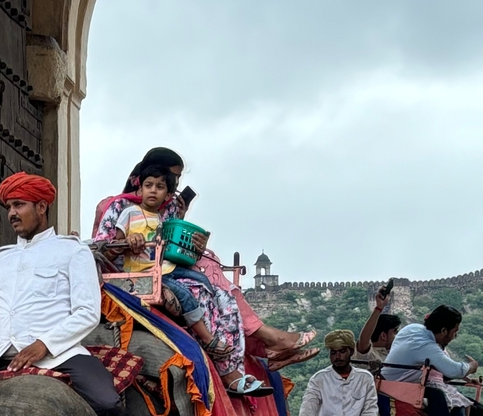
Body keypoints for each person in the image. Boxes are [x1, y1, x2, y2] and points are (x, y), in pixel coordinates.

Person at [93, 146, 318, 369]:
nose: (174, 184)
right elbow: (102, 248)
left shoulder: (168, 205)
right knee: (207, 270)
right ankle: (260, 342)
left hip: (167, 267)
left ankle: (261, 347)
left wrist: (190, 236)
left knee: (219, 287)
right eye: (171, 177)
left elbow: (172, 244)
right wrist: (129, 244)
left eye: (171, 182)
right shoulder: (120, 206)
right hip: (135, 272)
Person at [0, 172, 123, 416]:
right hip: (0, 359)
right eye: (9, 207)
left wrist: (44, 345)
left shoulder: (73, 251)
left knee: (106, 403)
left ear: (41, 207)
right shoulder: (0, 258)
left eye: (19, 205)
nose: (12, 213)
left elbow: (87, 313)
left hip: (59, 357)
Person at [113, 164, 269, 397]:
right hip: (146, 274)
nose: (153, 191)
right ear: (140, 189)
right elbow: (115, 244)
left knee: (218, 293)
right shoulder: (128, 212)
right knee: (189, 293)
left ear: (167, 194)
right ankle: (209, 341)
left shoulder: (162, 220)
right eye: (148, 186)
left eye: (160, 187)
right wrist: (131, 240)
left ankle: (233, 365)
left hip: (167, 269)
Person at [294, 330, 380, 416]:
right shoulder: (319, 378)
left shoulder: (365, 378)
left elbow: (370, 411)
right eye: (333, 353)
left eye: (342, 351)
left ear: (351, 351)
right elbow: (308, 408)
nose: (337, 356)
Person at [354, 285, 401, 369]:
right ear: (383, 336)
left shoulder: (396, 354)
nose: (397, 336)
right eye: (395, 331)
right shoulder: (371, 355)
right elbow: (363, 342)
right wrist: (379, 308)